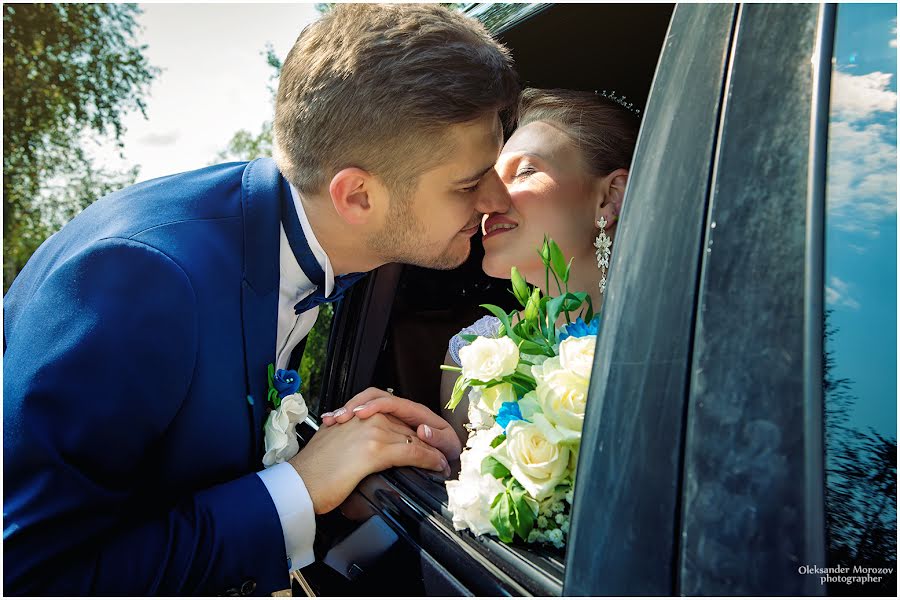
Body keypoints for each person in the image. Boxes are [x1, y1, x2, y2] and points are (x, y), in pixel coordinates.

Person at [2, 4, 517, 595]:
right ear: (357, 196)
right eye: (469, 182)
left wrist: (342, 474)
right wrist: (298, 488)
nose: (498, 199)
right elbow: (30, 576)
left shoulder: (290, 242)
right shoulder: (141, 279)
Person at [322, 87, 639, 442]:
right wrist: (444, 458)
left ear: (610, 197)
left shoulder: (679, 334)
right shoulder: (473, 353)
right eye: (485, 181)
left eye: (525, 171)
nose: (489, 202)